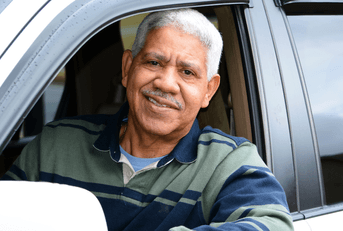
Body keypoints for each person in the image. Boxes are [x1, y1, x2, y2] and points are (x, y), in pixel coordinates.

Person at [1, 9, 294, 231]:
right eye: (154, 62)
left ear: (209, 90)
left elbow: (274, 225)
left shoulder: (226, 162)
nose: (166, 83)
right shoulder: (56, 145)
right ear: (128, 68)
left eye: (187, 72)